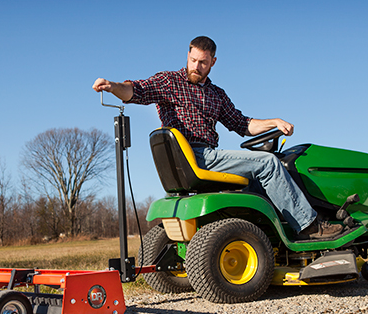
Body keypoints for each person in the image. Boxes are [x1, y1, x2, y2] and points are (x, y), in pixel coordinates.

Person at [92, 36, 342, 239]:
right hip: (196, 155)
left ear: (213, 62)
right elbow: (137, 91)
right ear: (187, 56)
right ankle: (310, 225)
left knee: (257, 179)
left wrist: (274, 122)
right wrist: (113, 86)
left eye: (202, 62)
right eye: (192, 60)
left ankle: (269, 235)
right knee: (268, 163)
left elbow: (243, 124)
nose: (196, 67)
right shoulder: (170, 82)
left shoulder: (216, 94)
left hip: (206, 157)